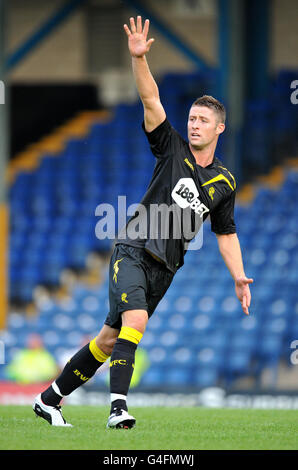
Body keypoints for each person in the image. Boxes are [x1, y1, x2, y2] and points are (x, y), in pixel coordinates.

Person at [33, 16, 253, 429]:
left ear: (219, 128)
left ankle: (49, 400)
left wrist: (239, 277)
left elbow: (226, 233)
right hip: (133, 248)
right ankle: (118, 408)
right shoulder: (171, 147)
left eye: (203, 120)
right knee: (136, 323)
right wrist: (139, 60)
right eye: (191, 118)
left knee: (107, 341)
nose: (193, 123)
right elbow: (151, 100)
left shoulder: (225, 181)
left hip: (165, 268)